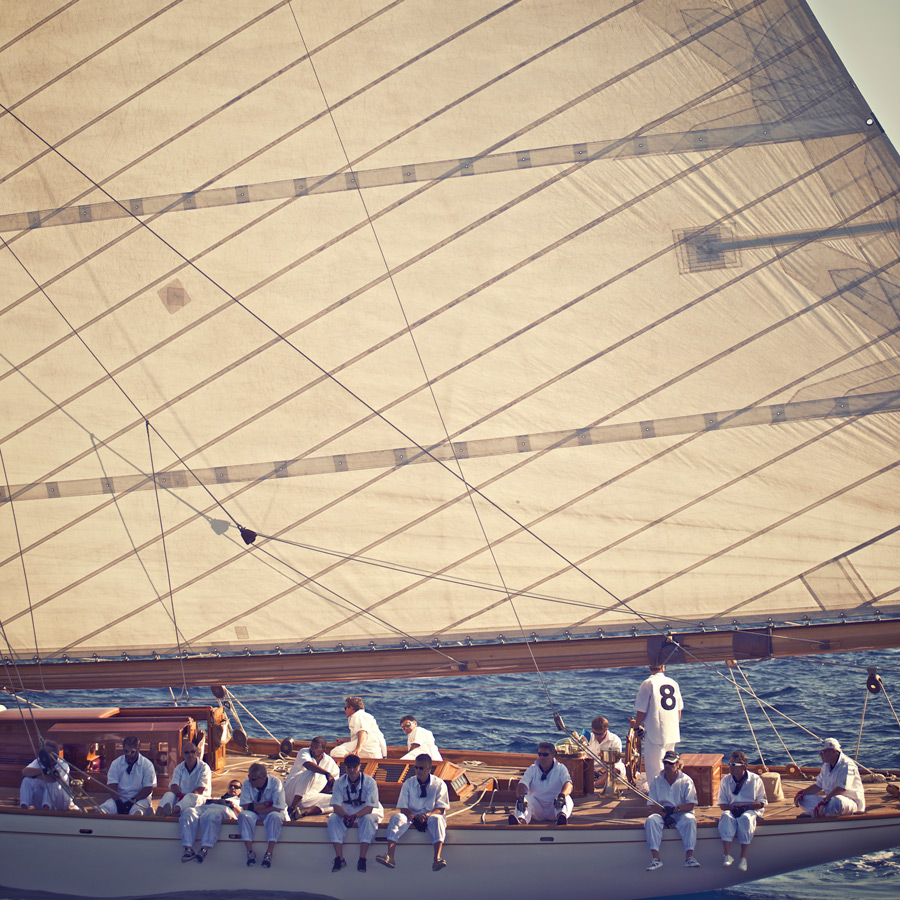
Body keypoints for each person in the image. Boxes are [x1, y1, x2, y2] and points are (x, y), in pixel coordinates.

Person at [377, 753, 449, 871]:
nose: (418, 770)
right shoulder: (408, 783)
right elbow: (403, 807)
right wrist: (414, 818)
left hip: (430, 815)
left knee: (437, 820)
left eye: (421, 768)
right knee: (396, 818)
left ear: (429, 768)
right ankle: (390, 856)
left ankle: (437, 858)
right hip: (411, 816)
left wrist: (425, 816)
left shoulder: (439, 784)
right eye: (416, 767)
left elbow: (440, 808)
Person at [327, 753, 384, 872]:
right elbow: (336, 806)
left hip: (367, 810)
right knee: (333, 819)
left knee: (368, 820)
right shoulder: (339, 783)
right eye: (349, 767)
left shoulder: (370, 782)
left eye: (354, 767)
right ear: (345, 768)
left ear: (359, 767)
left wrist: (354, 816)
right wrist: (345, 816)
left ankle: (362, 859)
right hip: (347, 810)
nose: (352, 770)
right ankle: (339, 858)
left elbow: (369, 807)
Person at [644, 750, 699, 871]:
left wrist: (675, 809)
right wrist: (665, 815)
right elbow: (652, 805)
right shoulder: (656, 780)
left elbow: (690, 805)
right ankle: (656, 859)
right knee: (651, 820)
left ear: (678, 764)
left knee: (690, 820)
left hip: (681, 813)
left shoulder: (686, 781)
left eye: (671, 763)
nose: (667, 766)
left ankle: (689, 857)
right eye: (665, 763)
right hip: (662, 814)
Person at [632, 664, 683, 784]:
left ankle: (656, 792)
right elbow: (679, 710)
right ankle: (670, 788)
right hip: (672, 730)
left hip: (655, 731)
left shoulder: (648, 683)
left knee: (654, 767)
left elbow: (641, 710)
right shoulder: (673, 683)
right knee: (670, 763)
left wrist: (636, 726)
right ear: (663, 667)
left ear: (650, 667)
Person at [717, 749, 767, 871]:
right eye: (730, 764)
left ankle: (743, 857)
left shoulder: (755, 779)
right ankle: (727, 855)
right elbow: (722, 804)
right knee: (726, 817)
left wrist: (746, 808)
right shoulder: (726, 780)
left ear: (743, 766)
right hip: (732, 809)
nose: (730, 767)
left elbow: (762, 803)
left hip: (750, 809)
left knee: (746, 818)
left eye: (734, 765)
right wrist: (733, 809)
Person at [794, 737, 866, 817]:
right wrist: (802, 793)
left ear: (834, 751)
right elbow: (818, 786)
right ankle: (821, 812)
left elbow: (841, 789)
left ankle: (815, 814)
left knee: (837, 801)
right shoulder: (826, 766)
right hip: (829, 801)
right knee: (803, 799)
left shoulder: (847, 765)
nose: (820, 754)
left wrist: (824, 801)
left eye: (823, 751)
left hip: (849, 802)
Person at [509, 742, 574, 826]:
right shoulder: (532, 769)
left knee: (566, 798)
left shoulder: (561, 768)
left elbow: (568, 784)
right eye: (540, 754)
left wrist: (562, 795)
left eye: (545, 754)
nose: (542, 757)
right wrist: (521, 797)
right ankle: (521, 822)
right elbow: (522, 785)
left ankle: (561, 819)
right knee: (524, 799)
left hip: (555, 806)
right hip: (537, 809)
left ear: (553, 754)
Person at [237, 762, 288, 868]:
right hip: (257, 812)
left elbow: (277, 808)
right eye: (249, 777)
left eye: (253, 779)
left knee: (275, 816)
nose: (250, 781)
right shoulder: (247, 783)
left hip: (271, 812)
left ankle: (269, 853)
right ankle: (250, 851)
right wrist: (266, 804)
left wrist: (257, 808)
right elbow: (245, 806)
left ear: (263, 778)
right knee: (243, 816)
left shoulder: (276, 784)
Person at [182, 778, 243, 864]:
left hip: (225, 809)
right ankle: (188, 848)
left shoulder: (240, 801)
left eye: (236, 787)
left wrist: (232, 806)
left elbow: (241, 815)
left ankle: (204, 849)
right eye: (231, 786)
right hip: (208, 807)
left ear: (241, 790)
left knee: (211, 815)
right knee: (188, 812)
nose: (233, 788)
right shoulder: (218, 798)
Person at [98, 736, 157, 815]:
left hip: (140, 799)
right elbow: (112, 786)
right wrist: (118, 802)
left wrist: (132, 802)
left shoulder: (147, 765)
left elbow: (148, 789)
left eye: (132, 752)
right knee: (104, 808)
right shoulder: (116, 763)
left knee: (137, 812)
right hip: (120, 797)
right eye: (126, 751)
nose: (128, 754)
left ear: (138, 749)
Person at [284, 736, 339, 819]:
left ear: (324, 749)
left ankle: (305, 812)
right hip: (290, 793)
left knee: (338, 801)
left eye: (316, 748)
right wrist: (326, 773)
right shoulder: (304, 752)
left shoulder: (330, 763)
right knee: (310, 772)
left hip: (307, 798)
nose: (312, 750)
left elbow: (336, 783)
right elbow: (308, 765)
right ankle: (291, 808)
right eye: (311, 747)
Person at [156, 741, 211, 820]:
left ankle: (171, 811)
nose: (190, 755)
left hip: (199, 799)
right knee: (169, 794)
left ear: (196, 753)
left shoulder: (204, 768)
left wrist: (184, 798)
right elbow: (174, 785)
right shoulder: (179, 768)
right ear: (182, 754)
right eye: (187, 752)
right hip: (181, 797)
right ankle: (158, 813)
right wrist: (179, 795)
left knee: (190, 797)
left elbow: (200, 789)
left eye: (192, 752)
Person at [19, 739, 76, 811]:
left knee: (51, 783)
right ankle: (24, 807)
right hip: (40, 801)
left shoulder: (63, 765)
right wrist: (44, 771)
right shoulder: (39, 761)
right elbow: (25, 772)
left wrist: (35, 775)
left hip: (60, 803)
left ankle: (46, 809)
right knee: (26, 780)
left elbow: (53, 779)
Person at [581, 716, 626, 790]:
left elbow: (615, 761)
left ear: (606, 730)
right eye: (595, 733)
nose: (597, 736)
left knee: (617, 767)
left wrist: (601, 771)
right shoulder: (587, 738)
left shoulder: (614, 740)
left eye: (600, 734)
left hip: (607, 769)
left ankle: (594, 784)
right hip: (590, 770)